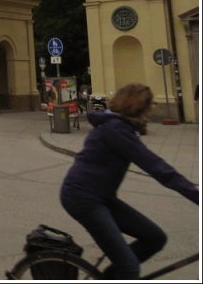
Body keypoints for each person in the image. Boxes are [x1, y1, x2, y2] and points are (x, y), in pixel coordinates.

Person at [60, 83, 198, 280]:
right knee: (129, 267)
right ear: (139, 105)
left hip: (102, 197)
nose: (152, 110)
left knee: (155, 238)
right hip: (83, 199)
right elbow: (156, 167)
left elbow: (156, 165)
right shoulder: (116, 129)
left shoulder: (120, 126)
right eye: (150, 105)